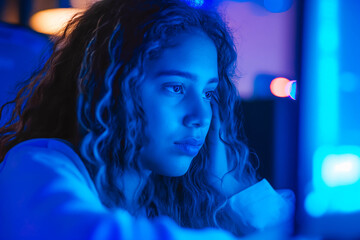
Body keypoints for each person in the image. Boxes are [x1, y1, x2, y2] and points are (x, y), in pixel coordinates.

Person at [0, 0, 294, 239]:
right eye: (175, 87)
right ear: (115, 89)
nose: (201, 116)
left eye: (208, 94)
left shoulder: (168, 202)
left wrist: (230, 183)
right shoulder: (33, 164)